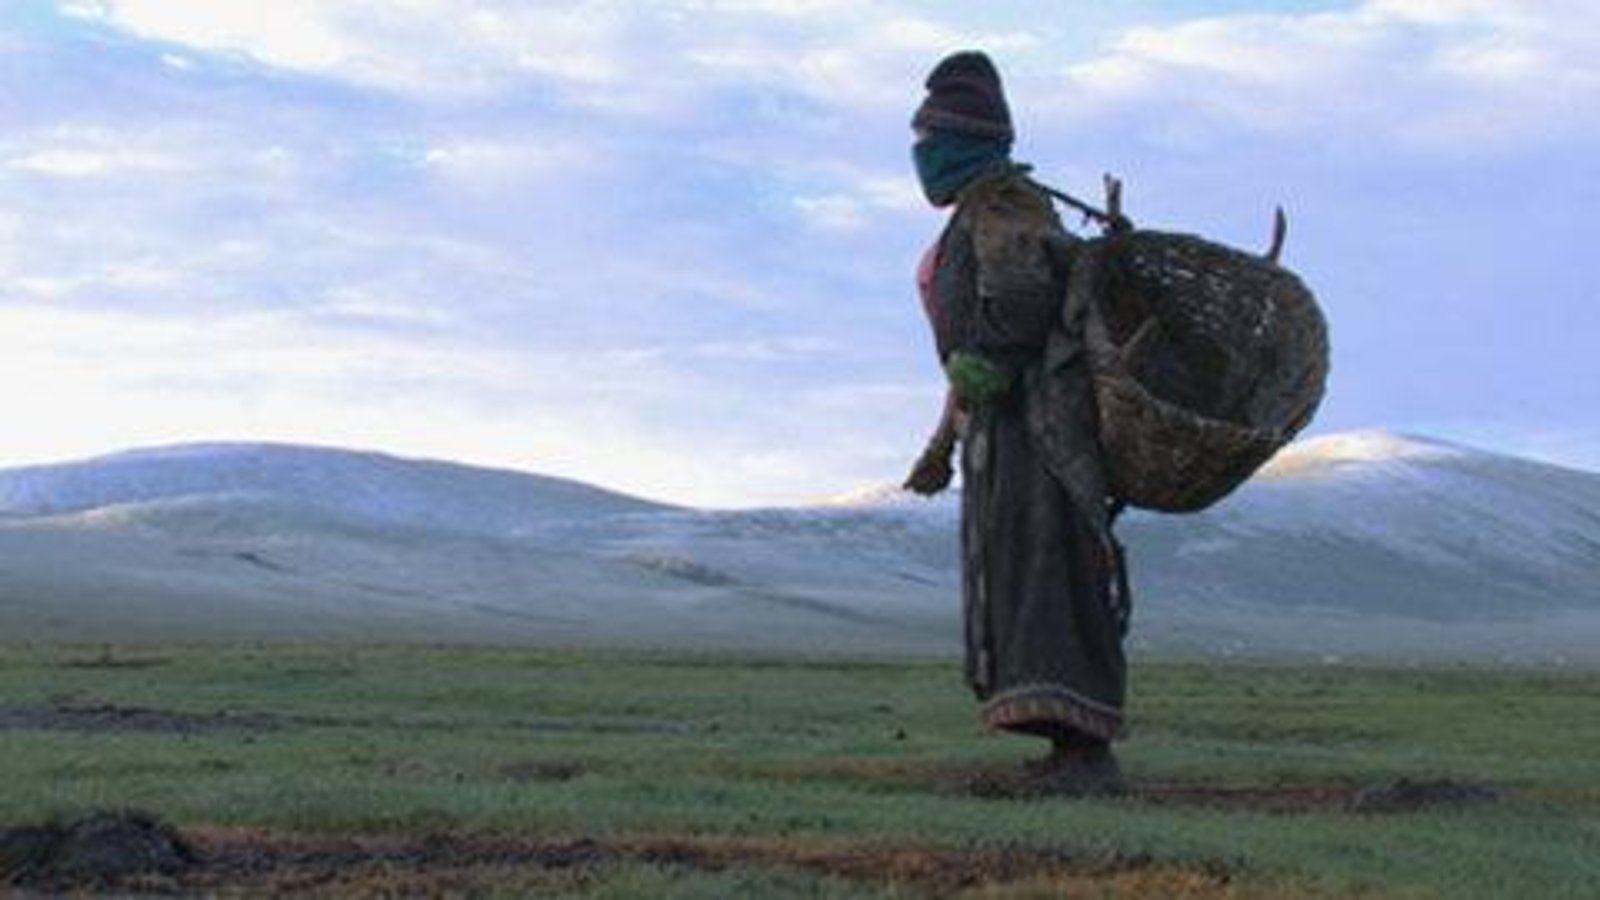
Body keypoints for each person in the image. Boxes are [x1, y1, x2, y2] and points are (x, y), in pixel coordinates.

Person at [902, 50, 1130, 792]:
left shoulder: (1004, 206)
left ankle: (1084, 754)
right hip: (1012, 427)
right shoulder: (988, 206)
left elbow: (1021, 305)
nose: (921, 153)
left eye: (930, 138)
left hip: (1041, 429)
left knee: (1046, 571)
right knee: (1025, 571)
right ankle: (1068, 749)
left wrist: (981, 373)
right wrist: (949, 432)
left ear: (963, 140)